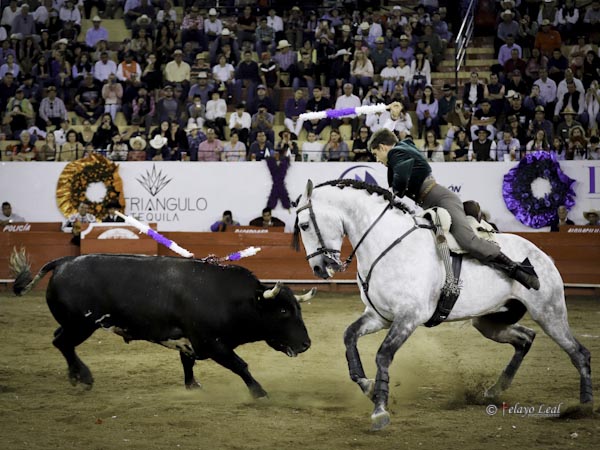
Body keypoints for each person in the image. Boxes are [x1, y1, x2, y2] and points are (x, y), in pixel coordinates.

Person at [367, 128, 540, 290]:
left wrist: (392, 192)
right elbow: (407, 146)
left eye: (376, 155)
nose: (377, 160)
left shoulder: (397, 152)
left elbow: (401, 180)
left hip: (441, 199)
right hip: (430, 202)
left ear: (383, 147)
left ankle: (518, 270)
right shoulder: (403, 148)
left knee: (467, 240)